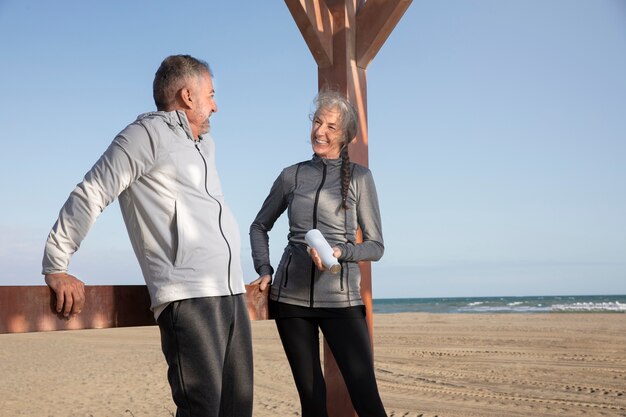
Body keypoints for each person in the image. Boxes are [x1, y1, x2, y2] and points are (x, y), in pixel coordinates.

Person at [42, 55, 253, 417]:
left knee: (237, 409)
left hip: (230, 292)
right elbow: (92, 191)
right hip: (188, 296)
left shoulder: (205, 146)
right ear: (188, 95)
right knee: (203, 410)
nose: (216, 105)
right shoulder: (143, 136)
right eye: (211, 94)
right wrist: (57, 264)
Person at [249, 90, 387, 417]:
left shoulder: (360, 178)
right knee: (312, 401)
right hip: (290, 302)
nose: (320, 131)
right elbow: (259, 226)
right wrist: (265, 269)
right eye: (317, 121)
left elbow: (376, 246)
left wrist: (340, 252)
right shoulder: (291, 175)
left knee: (366, 397)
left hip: (341, 301)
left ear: (345, 136)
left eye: (331, 127)